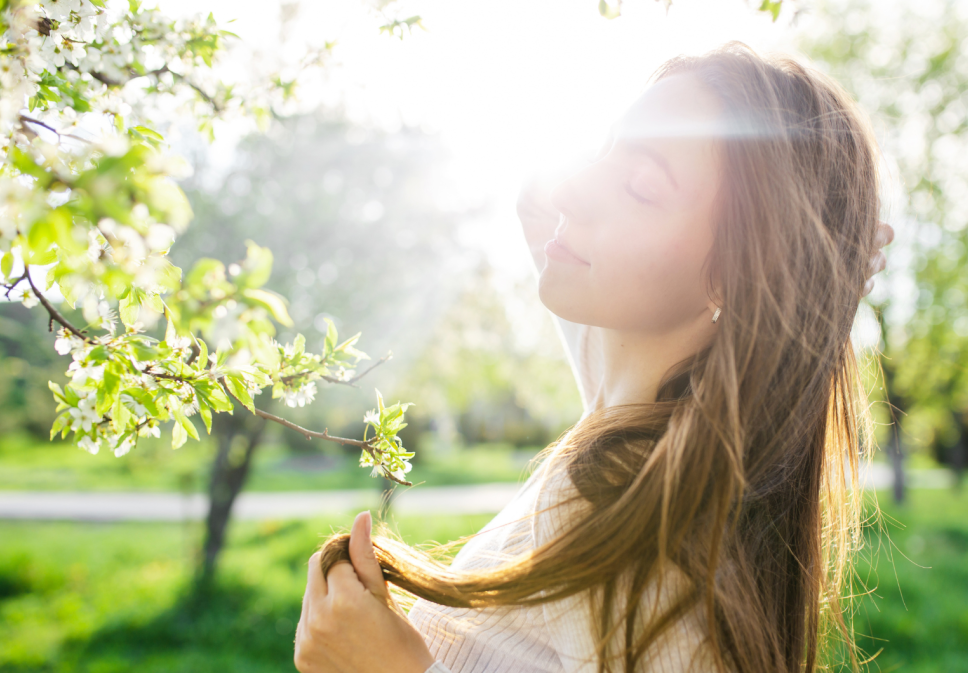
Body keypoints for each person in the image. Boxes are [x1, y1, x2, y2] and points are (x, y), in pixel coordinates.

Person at [293, 40, 894, 673]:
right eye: (603, 152)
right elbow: (537, 198)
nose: (573, 190)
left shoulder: (653, 540)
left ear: (736, 273)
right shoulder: (630, 407)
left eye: (640, 186)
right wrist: (819, 279)